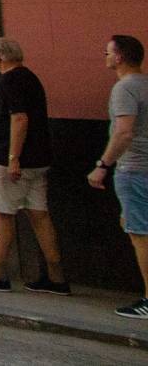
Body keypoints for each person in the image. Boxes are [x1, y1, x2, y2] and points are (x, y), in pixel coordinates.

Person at [0, 37, 67, 293]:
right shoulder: (31, 78)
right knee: (39, 215)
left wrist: (13, 158)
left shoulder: (9, 81)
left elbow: (19, 118)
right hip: (39, 158)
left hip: (9, 159)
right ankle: (56, 276)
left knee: (1, 214)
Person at [92, 34, 148, 318]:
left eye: (107, 51)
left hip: (134, 168)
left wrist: (103, 164)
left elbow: (124, 131)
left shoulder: (124, 89)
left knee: (140, 234)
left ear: (120, 57)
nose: (104, 55)